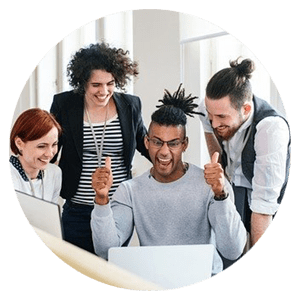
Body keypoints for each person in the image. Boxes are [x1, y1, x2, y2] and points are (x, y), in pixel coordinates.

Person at [91, 85, 247, 274]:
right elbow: (106, 250)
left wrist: (221, 195)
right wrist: (101, 200)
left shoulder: (212, 184)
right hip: (153, 280)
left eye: (173, 143)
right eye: (157, 142)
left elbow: (233, 250)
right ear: (147, 143)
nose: (164, 152)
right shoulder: (129, 190)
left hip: (202, 278)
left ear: (184, 145)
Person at [50, 42, 149, 253]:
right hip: (77, 208)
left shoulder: (130, 105)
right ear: (82, 81)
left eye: (110, 83)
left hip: (118, 207)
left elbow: (146, 144)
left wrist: (177, 166)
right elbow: (49, 149)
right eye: (96, 85)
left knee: (111, 269)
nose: (104, 91)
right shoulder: (64, 104)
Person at [198, 58, 291, 252]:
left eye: (222, 117)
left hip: (271, 200)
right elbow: (211, 134)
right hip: (235, 187)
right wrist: (220, 173)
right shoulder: (210, 108)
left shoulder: (270, 129)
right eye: (210, 115)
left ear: (246, 109)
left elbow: (263, 207)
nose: (214, 123)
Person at [9, 108, 62, 203]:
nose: (50, 154)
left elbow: (50, 215)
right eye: (41, 146)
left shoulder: (54, 173)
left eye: (54, 144)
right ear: (19, 143)